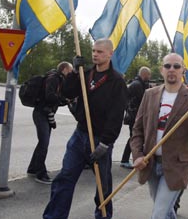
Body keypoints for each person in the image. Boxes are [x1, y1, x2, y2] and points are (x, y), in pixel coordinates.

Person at [43, 39, 128, 219]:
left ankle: (103, 215)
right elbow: (66, 93)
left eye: (100, 52)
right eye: (94, 51)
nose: (95, 54)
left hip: (101, 139)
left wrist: (106, 143)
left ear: (110, 54)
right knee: (65, 177)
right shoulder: (85, 73)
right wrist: (74, 72)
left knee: (102, 184)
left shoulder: (117, 81)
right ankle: (54, 216)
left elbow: (116, 116)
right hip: (80, 135)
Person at [130, 53, 188, 219]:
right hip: (150, 163)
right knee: (166, 211)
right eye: (167, 66)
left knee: (158, 214)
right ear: (161, 70)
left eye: (176, 66)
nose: (171, 69)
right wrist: (137, 155)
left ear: (183, 71)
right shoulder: (149, 94)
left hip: (176, 166)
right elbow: (137, 130)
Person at [27, 61, 73, 184]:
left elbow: (55, 98)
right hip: (41, 113)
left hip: (46, 114)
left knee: (42, 143)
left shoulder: (58, 79)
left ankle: (32, 168)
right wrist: (64, 100)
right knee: (44, 143)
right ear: (64, 69)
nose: (71, 73)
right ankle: (40, 174)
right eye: (70, 70)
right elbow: (50, 96)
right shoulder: (54, 78)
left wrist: (65, 100)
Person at [120, 66, 151, 169]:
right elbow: (143, 100)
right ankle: (125, 160)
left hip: (135, 115)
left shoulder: (138, 84)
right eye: (149, 75)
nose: (149, 77)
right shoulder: (137, 85)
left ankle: (129, 158)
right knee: (134, 138)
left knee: (134, 138)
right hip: (135, 116)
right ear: (144, 74)